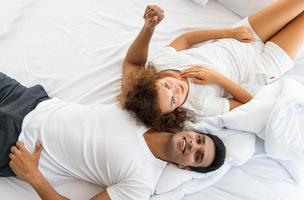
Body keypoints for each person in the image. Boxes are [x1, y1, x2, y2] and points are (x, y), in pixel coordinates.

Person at [1, 71, 225, 200]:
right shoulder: (150, 114)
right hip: (29, 99)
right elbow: (141, 69)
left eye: (198, 156)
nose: (193, 146)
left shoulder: (142, 184)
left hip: (16, 146)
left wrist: (34, 177)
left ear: (186, 167)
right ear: (192, 131)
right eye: (199, 140)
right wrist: (149, 27)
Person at [121, 1, 304, 132]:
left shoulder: (162, 62)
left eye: (167, 86)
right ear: (173, 110)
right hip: (264, 65)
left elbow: (186, 39)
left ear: (154, 79)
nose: (178, 89)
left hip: (242, 36)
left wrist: (229, 32)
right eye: (173, 100)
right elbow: (249, 103)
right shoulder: (200, 106)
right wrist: (217, 78)